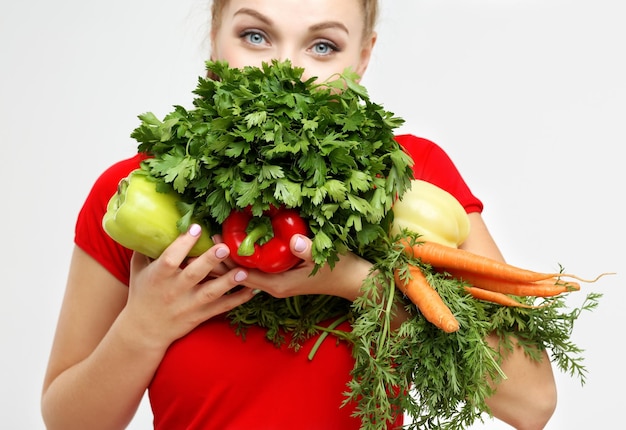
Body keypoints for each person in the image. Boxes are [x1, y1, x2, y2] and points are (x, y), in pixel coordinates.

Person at [41, 1, 557, 429]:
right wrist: (143, 328)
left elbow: (533, 404)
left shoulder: (408, 177)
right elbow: (68, 421)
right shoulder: (138, 190)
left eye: (323, 46)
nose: (285, 70)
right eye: (255, 36)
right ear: (215, 37)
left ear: (363, 57)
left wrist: (356, 282)